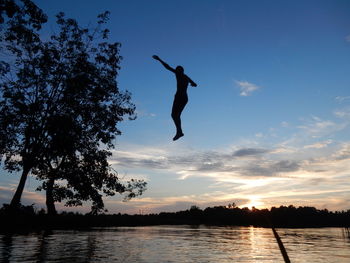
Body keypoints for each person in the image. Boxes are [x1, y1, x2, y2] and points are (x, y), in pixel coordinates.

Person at [152, 55, 197, 141]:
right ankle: (179, 132)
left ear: (180, 71)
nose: (176, 72)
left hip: (179, 97)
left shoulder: (179, 74)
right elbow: (195, 84)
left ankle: (179, 132)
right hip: (184, 98)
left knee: (174, 115)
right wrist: (192, 84)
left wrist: (159, 59)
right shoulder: (186, 77)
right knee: (176, 115)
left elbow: (167, 67)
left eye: (177, 70)